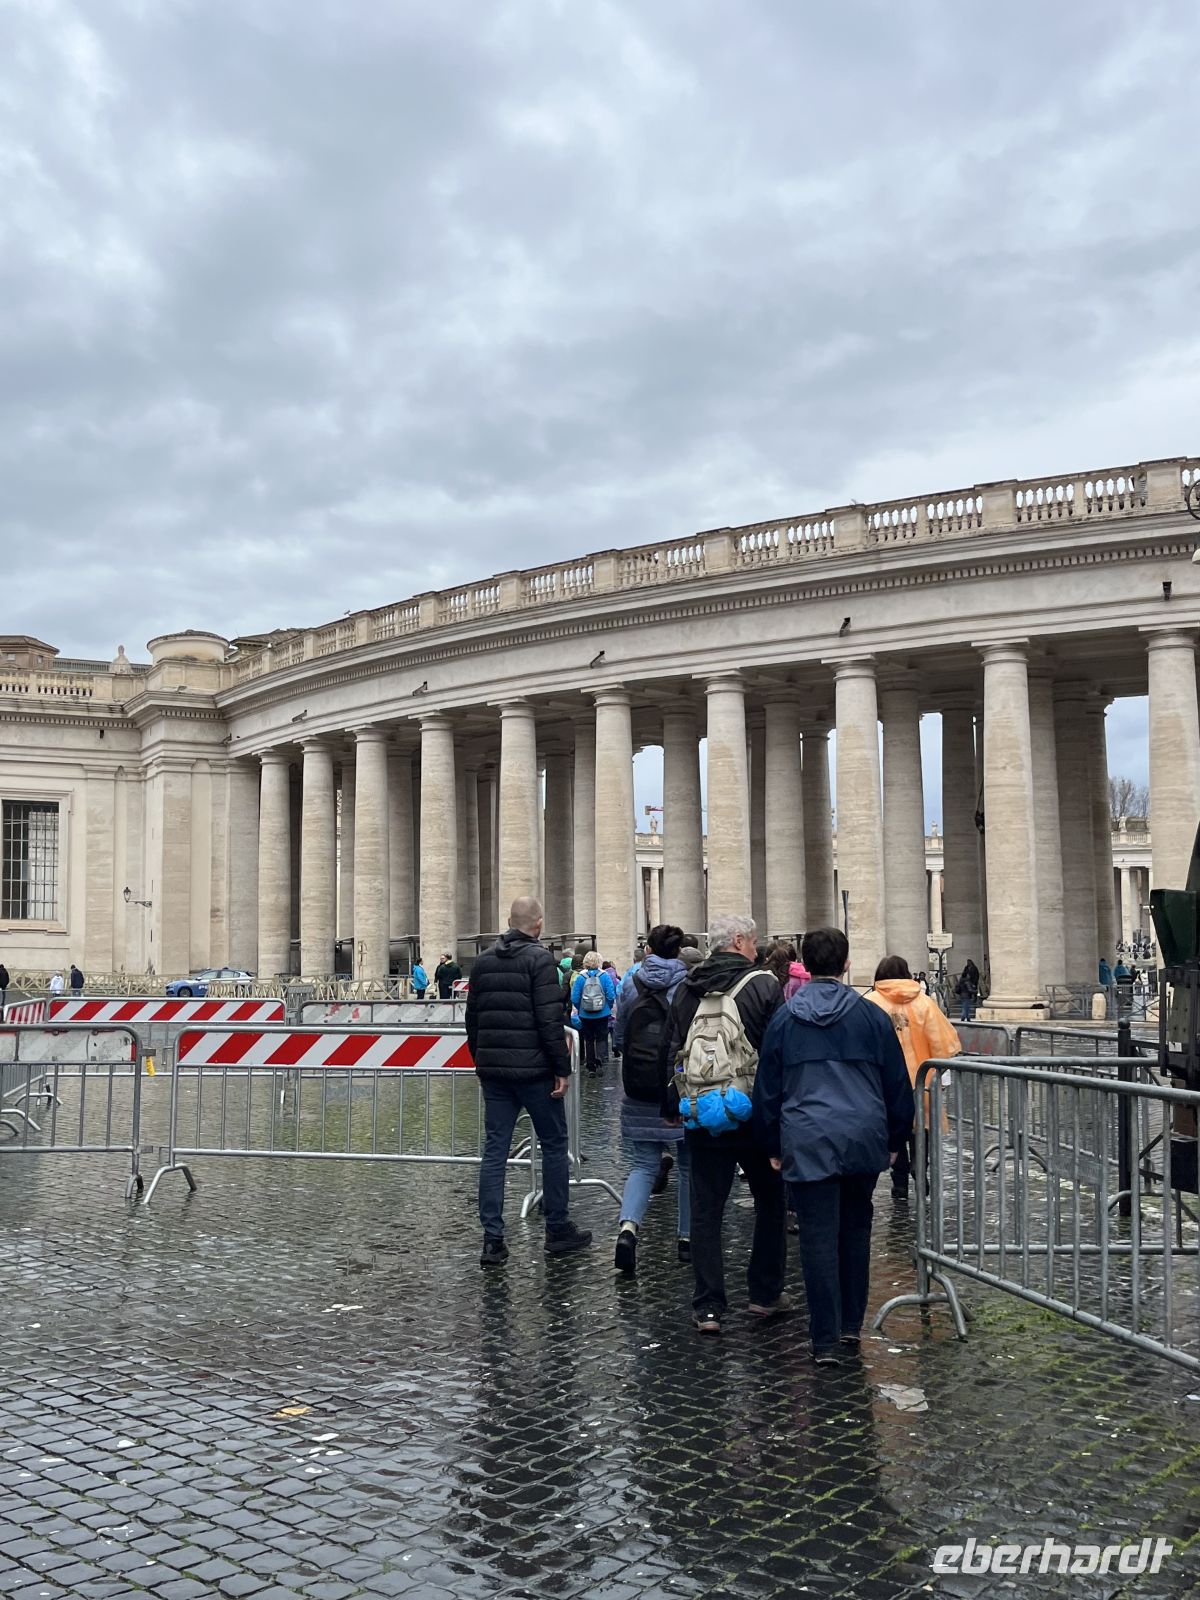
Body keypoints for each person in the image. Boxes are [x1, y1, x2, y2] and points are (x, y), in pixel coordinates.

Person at [753, 927, 914, 1365]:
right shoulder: (870, 1016)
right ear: (846, 964)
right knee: (856, 1231)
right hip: (862, 1134)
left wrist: (772, 1142)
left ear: (805, 964)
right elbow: (897, 1084)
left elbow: (768, 1089)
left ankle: (824, 1338)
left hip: (807, 1135)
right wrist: (895, 1138)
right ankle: (849, 1327)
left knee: (817, 1238)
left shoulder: (785, 1018)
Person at [659, 913, 786, 1335]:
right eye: (753, 941)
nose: (756, 948)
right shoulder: (765, 985)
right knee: (770, 1201)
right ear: (739, 941)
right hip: (755, 1114)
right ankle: (765, 1293)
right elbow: (779, 1052)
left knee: (706, 1209)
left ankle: (708, 1306)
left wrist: (671, 1104)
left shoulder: (687, 987)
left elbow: (672, 1048)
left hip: (704, 1113)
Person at [466, 896, 592, 1264]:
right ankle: (557, 1228)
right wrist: (562, 1069)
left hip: (495, 1073)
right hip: (536, 1072)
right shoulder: (540, 960)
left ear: (509, 922)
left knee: (495, 1151)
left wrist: (480, 1061)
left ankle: (492, 1239)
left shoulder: (483, 961)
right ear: (538, 925)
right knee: (554, 1144)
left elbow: (472, 1019)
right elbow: (550, 1022)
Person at [612, 924, 690, 1273]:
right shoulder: (688, 985)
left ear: (649, 949)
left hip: (640, 1084)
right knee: (687, 1167)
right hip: (678, 1084)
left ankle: (628, 1229)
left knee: (643, 1165)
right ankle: (686, 1238)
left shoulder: (632, 982)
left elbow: (620, 1032)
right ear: (679, 951)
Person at [866, 955, 961, 1198]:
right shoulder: (925, 1003)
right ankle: (920, 1168)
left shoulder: (870, 1003)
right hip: (922, 1079)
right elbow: (944, 1044)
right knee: (921, 1129)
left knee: (894, 1129)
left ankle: (899, 1179)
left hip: (885, 1081)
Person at [571, 952, 617, 1073]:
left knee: (589, 1039)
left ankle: (590, 1066)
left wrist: (580, 1008)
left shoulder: (580, 977)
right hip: (602, 1013)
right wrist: (607, 1007)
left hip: (585, 1014)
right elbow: (611, 995)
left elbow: (575, 998)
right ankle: (600, 1061)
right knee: (601, 1037)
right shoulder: (605, 976)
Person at [954, 959, 979, 1023]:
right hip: (967, 996)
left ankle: (968, 1018)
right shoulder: (967, 982)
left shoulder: (961, 981)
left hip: (962, 995)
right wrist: (976, 991)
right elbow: (969, 989)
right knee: (966, 1007)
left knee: (966, 1007)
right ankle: (963, 1017)